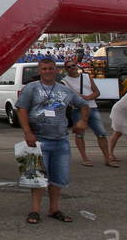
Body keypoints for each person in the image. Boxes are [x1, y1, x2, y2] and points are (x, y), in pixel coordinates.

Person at [17, 57, 90, 225]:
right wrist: (27, 132)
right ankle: (35, 210)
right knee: (37, 178)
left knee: (58, 178)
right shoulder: (31, 88)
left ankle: (54, 208)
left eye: (51, 68)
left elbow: (83, 104)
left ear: (56, 70)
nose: (48, 71)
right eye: (44, 69)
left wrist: (83, 121)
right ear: (39, 71)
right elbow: (22, 109)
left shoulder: (64, 90)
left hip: (61, 140)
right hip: (39, 139)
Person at [61, 59, 119, 167]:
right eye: (68, 67)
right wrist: (84, 99)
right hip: (78, 109)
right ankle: (85, 158)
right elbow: (71, 96)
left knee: (101, 133)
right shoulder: (65, 81)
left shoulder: (86, 77)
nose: (72, 68)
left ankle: (107, 158)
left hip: (92, 107)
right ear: (66, 69)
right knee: (79, 134)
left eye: (73, 65)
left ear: (76, 66)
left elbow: (97, 92)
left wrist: (86, 98)